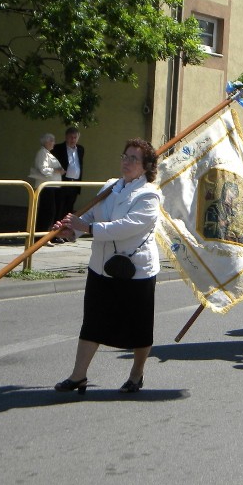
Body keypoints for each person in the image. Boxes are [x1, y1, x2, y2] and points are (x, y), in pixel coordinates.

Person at [53, 138, 162, 394]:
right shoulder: (110, 186)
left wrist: (87, 228)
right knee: (92, 321)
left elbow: (126, 227)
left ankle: (136, 374)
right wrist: (71, 231)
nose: (127, 162)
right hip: (102, 266)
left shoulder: (149, 195)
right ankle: (78, 376)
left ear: (146, 166)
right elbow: (92, 215)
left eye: (134, 159)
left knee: (139, 327)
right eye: (125, 156)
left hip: (136, 271)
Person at [28, 133, 64, 236]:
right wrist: (57, 170)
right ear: (46, 142)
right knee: (47, 211)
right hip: (46, 186)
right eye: (52, 140)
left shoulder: (47, 153)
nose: (54, 143)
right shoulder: (42, 153)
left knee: (49, 211)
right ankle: (41, 235)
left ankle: (43, 235)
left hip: (51, 186)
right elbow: (43, 169)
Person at [52, 126, 85, 231]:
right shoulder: (58, 148)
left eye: (75, 137)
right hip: (63, 182)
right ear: (66, 137)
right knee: (59, 208)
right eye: (71, 137)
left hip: (74, 183)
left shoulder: (80, 149)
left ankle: (66, 231)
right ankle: (55, 233)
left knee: (69, 210)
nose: (73, 140)